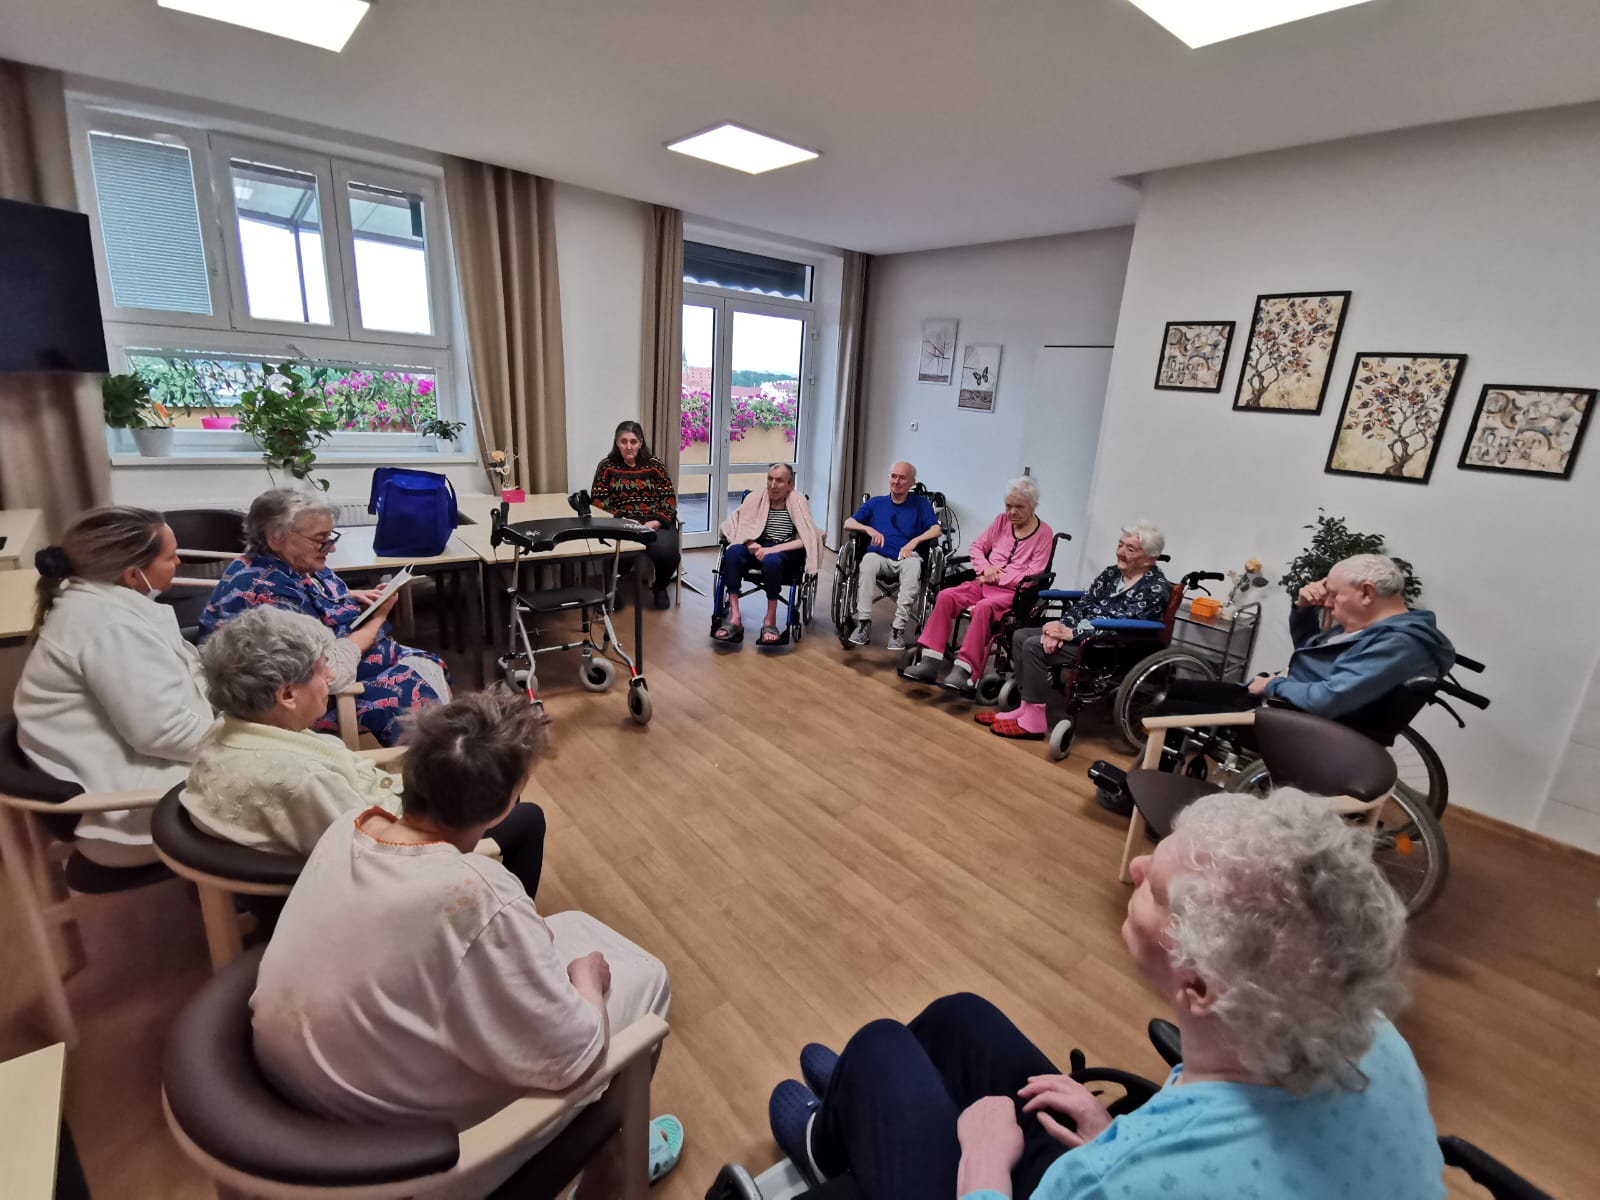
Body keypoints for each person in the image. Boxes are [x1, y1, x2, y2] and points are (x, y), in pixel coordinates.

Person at [765, 789, 1445, 1200]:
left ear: (1199, 984)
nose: (1137, 866)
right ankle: (857, 1105)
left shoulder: (1115, 1178)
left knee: (880, 1045)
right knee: (959, 1019)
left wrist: (984, 1164)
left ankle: (834, 1138)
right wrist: (1105, 1130)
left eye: (1157, 890)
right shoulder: (1371, 1037)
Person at [251, 686, 682, 1198]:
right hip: (403, 1153)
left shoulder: (349, 826)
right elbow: (577, 1057)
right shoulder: (475, 895)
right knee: (646, 977)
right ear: (506, 804)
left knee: (569, 925)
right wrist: (585, 981)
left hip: (303, 1101)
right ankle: (612, 1173)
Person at [184, 607, 546, 892]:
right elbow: (378, 857)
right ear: (288, 694)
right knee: (524, 815)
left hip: (373, 810)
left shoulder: (225, 730)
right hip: (396, 858)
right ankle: (506, 918)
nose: (330, 677)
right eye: (321, 669)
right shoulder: (304, 779)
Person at [14, 506, 213, 866]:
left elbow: (176, 684)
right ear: (134, 574)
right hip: (125, 817)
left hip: (129, 777)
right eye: (170, 556)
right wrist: (249, 741)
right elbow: (164, 732)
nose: (178, 562)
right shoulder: (111, 627)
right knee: (292, 790)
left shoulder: (99, 604)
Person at [199, 489, 450, 746]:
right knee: (414, 693)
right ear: (276, 538)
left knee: (426, 667)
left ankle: (447, 749)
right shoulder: (266, 594)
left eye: (330, 537)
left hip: (341, 664)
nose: (331, 548)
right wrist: (378, 618)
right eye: (321, 539)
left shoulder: (292, 564)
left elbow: (307, 595)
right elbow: (330, 672)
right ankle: (438, 759)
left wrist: (349, 596)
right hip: (299, 699)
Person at [1154, 553, 1455, 726]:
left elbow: (1328, 699)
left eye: (1334, 594)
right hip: (1283, 700)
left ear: (1366, 593)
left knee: (1165, 708)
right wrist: (1302, 608)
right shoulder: (1376, 629)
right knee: (1177, 689)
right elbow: (1311, 651)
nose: (1328, 602)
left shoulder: (1397, 644)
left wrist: (1272, 685)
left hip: (1288, 718)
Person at [983, 524, 1170, 739]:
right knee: (1020, 636)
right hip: (1082, 634)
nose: (1120, 552)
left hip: (1109, 645)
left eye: (1130, 549)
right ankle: (1025, 707)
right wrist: (1060, 628)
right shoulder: (1111, 574)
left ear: (1149, 559)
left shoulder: (1155, 588)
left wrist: (1072, 634)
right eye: (1120, 545)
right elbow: (1084, 604)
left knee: (1034, 646)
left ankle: (1034, 721)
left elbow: (1120, 623)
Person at [902, 478, 1054, 692]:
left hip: (1012, 594)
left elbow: (1034, 572)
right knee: (946, 596)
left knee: (983, 608)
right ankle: (930, 660)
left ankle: (965, 670)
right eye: (1008, 506)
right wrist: (985, 569)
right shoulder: (1001, 521)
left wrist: (998, 577)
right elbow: (977, 547)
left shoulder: (1044, 533)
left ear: (1033, 505)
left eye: (1019, 507)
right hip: (982, 583)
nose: (1011, 512)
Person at [714, 463, 822, 646]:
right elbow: (739, 526)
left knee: (772, 562)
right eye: (770, 479)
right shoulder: (755, 498)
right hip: (755, 543)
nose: (773, 485)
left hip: (783, 550)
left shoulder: (798, 501)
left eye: (779, 481)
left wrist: (771, 550)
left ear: (790, 485)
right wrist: (749, 542)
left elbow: (808, 537)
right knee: (732, 553)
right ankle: (735, 617)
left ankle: (769, 620)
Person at [843, 461, 942, 651]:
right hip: (879, 556)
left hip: (906, 557)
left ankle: (897, 629)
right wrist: (868, 529)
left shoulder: (920, 504)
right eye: (893, 476)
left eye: (902, 478)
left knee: (914, 566)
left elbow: (936, 529)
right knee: (867, 562)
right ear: (889, 478)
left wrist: (914, 541)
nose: (897, 481)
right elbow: (848, 523)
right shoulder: (876, 503)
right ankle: (863, 623)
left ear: (912, 483)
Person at [589, 420, 679, 609]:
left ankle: (660, 587)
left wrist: (656, 522)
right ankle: (614, 587)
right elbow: (598, 501)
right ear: (616, 442)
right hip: (622, 524)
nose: (629, 447)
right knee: (619, 554)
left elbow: (669, 498)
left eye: (633, 441)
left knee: (667, 553)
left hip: (654, 523)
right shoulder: (606, 467)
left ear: (640, 443)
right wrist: (622, 519)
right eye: (624, 441)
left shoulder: (655, 465)